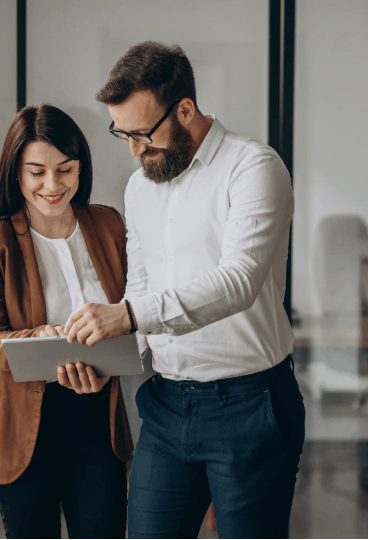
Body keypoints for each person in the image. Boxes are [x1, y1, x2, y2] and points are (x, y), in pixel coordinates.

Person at [62, 41, 305, 539]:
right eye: (121, 134)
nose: (133, 149)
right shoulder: (141, 186)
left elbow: (238, 281)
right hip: (167, 407)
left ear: (186, 110)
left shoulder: (254, 168)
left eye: (141, 133)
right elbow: (142, 284)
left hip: (250, 404)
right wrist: (105, 356)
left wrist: (128, 316)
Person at [0, 104, 133, 539]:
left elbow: (136, 312)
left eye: (65, 169)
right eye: (36, 172)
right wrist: (40, 336)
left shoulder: (109, 224)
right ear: (15, 173)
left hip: (98, 419)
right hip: (19, 426)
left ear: (81, 168)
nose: (53, 185)